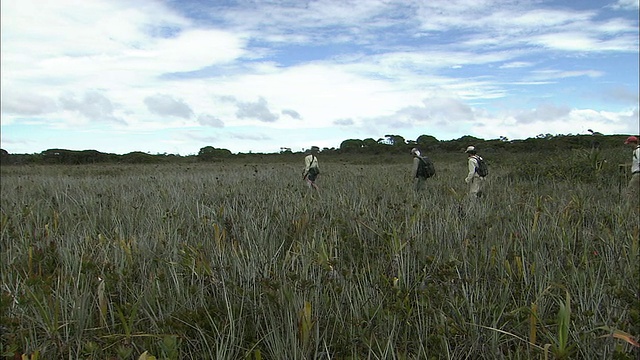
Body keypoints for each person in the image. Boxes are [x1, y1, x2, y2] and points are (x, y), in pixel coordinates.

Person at [624, 136, 639, 209]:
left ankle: (628, 208)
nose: (629, 145)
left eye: (629, 143)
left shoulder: (638, 151)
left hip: (637, 174)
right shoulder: (635, 151)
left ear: (633, 143)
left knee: (630, 192)